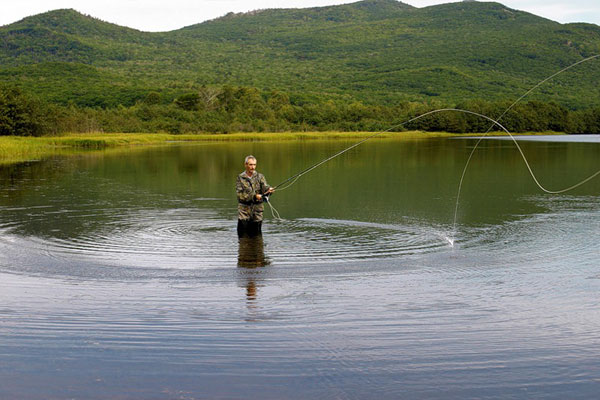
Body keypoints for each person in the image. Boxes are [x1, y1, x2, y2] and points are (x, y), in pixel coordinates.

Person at [236, 155, 274, 237]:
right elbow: (240, 195)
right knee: (242, 235)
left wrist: (269, 190)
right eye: (250, 165)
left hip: (257, 211)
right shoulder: (240, 178)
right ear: (245, 165)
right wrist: (254, 196)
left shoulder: (260, 176)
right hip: (244, 212)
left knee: (257, 236)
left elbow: (265, 187)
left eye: (254, 165)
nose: (253, 167)